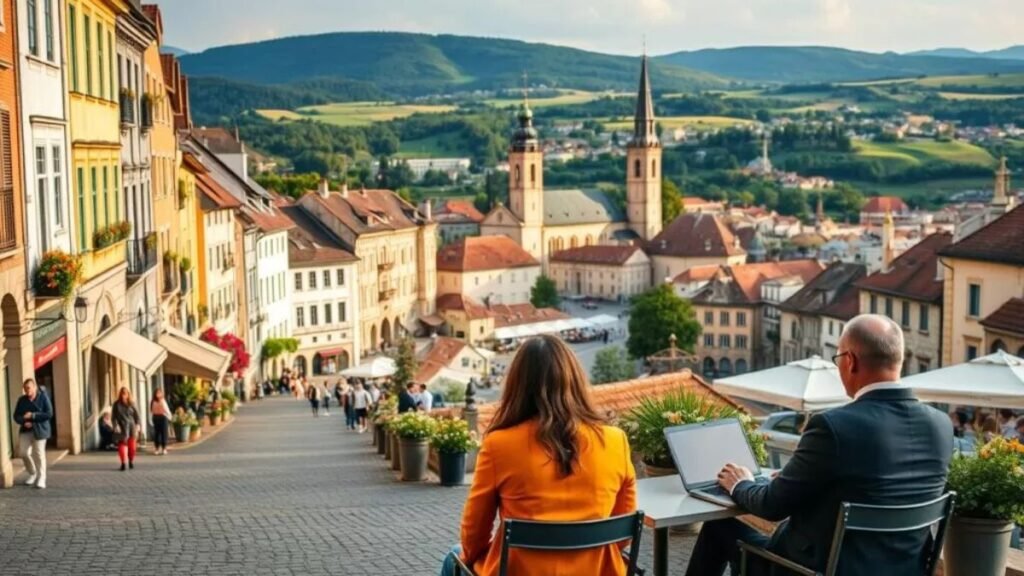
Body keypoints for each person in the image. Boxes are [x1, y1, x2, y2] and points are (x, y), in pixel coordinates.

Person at [684, 314, 952, 576]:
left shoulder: (833, 427)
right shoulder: (941, 425)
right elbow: (876, 489)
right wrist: (795, 481)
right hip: (902, 569)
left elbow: (771, 507)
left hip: (808, 569)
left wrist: (739, 483)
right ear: (899, 361)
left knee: (718, 529)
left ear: (850, 361)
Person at [439, 335, 636, 576]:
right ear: (573, 380)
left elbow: (474, 533)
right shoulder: (615, 440)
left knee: (454, 557)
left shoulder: (499, 445)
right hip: (595, 571)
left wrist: (471, 557)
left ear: (518, 384)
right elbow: (623, 532)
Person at [12, 378, 52, 489]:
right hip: (26, 430)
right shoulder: (22, 400)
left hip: (40, 430)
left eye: (28, 388)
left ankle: (41, 478)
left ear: (34, 387)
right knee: (23, 453)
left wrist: (33, 416)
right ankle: (33, 472)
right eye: (25, 388)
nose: (27, 390)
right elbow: (16, 416)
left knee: (38, 454)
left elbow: (49, 414)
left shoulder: (43, 397)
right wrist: (24, 422)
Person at [112, 387, 141, 472]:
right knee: (122, 445)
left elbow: (137, 416)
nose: (124, 395)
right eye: (122, 393)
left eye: (125, 393)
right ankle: (123, 463)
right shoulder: (116, 404)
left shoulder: (132, 403)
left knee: (132, 447)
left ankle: (131, 460)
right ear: (120, 394)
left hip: (131, 426)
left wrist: (138, 425)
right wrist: (115, 425)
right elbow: (113, 417)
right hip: (121, 426)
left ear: (128, 394)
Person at [150, 388, 172, 456]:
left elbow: (166, 409)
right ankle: (157, 448)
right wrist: (151, 418)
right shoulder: (153, 401)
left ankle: (164, 448)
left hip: (163, 417)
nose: (158, 394)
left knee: (164, 433)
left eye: (160, 393)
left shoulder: (163, 401)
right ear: (155, 394)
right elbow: (151, 411)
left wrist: (170, 417)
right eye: (157, 393)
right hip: (156, 417)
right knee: (157, 434)